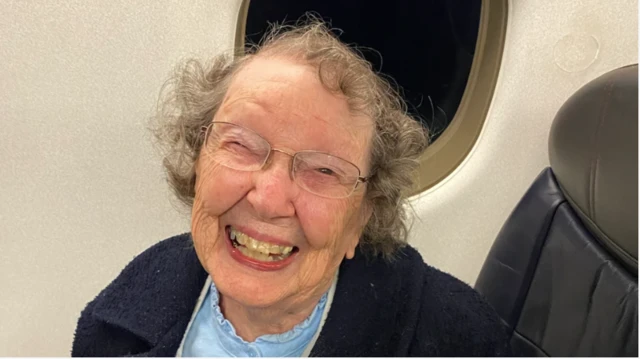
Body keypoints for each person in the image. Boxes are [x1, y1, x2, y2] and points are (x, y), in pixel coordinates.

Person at [72, 18, 511, 357]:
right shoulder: (117, 319)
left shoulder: (458, 338)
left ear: (363, 215)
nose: (268, 199)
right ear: (199, 160)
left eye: (323, 170)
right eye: (241, 145)